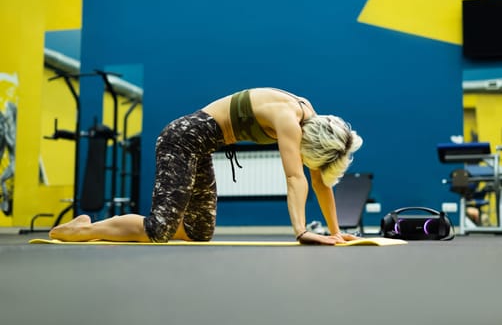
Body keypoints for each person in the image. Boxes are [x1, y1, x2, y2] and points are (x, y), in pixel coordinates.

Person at [49, 87, 363, 245]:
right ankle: (84, 229)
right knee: (159, 229)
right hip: (182, 139)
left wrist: (337, 233)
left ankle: (99, 226)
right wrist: (302, 231)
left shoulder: (311, 122)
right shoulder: (289, 118)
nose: (312, 164)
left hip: (201, 147)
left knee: (199, 232)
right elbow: (295, 177)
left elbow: (320, 181)